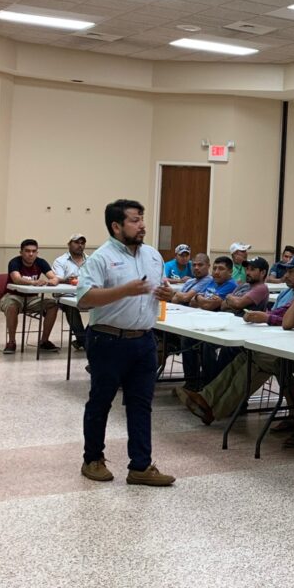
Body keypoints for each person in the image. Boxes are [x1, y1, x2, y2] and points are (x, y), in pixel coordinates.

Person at [178, 264, 294, 436]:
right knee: (248, 357)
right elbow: (287, 324)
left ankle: (213, 407)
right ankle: (208, 400)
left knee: (261, 360)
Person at [77, 199, 175, 486]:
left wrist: (167, 295)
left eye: (142, 219)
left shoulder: (154, 256)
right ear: (116, 226)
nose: (142, 225)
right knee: (101, 402)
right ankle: (92, 459)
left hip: (144, 341)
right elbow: (84, 299)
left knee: (141, 404)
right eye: (135, 220)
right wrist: (124, 291)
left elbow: (161, 290)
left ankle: (141, 466)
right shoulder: (101, 258)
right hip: (108, 340)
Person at [0, 238, 60, 354]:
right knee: (12, 307)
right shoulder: (14, 262)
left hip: (32, 298)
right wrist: (34, 282)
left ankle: (44, 341)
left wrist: (54, 281)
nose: (30, 254)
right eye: (27, 251)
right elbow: (16, 279)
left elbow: (53, 277)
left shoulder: (40, 262)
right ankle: (11, 342)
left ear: (37, 252)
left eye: (34, 251)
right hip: (13, 296)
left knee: (53, 305)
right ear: (21, 252)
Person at [53, 234, 88, 350]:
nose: (80, 245)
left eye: (82, 243)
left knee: (105, 306)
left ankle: (83, 339)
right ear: (69, 244)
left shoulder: (91, 260)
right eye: (77, 242)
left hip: (86, 294)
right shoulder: (60, 261)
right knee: (71, 306)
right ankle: (85, 340)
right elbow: (57, 279)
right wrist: (67, 280)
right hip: (66, 296)